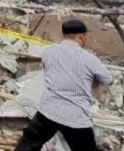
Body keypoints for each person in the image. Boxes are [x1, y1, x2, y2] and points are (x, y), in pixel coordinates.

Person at [14, 19, 113, 151]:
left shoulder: (48, 52)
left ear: (64, 35)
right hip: (76, 117)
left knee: (27, 145)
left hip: (49, 111)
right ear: (81, 37)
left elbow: (48, 69)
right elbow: (108, 80)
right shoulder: (90, 59)